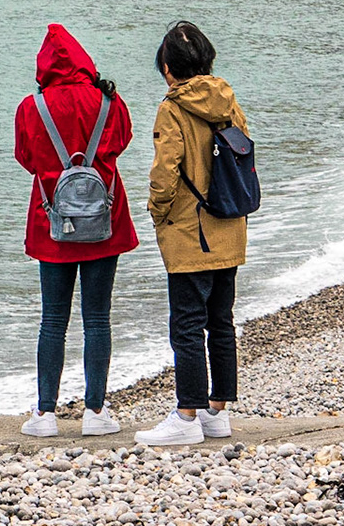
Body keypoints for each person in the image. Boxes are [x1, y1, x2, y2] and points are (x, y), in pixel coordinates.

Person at [13, 25, 138, 438]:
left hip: (53, 221)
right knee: (97, 318)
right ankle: (95, 411)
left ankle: (46, 414)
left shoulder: (32, 107)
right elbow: (120, 142)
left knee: (52, 319)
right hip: (104, 216)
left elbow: (27, 159)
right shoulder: (109, 101)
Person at [135, 22, 248, 448]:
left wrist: (157, 212)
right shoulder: (227, 98)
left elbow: (166, 171)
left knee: (186, 324)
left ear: (167, 67)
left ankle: (186, 415)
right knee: (221, 321)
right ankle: (216, 411)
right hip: (229, 220)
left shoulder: (173, 107)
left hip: (189, 227)